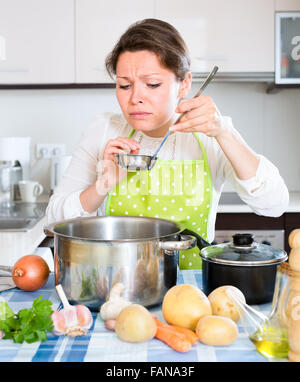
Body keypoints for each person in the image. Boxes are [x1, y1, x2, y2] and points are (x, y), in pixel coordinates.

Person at [46, 18, 289, 269]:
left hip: (193, 292)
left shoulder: (211, 134)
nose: (136, 98)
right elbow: (54, 221)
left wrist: (226, 133)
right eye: (124, 85)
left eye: (152, 84)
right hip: (118, 288)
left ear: (184, 84)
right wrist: (102, 185)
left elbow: (274, 205)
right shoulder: (104, 130)